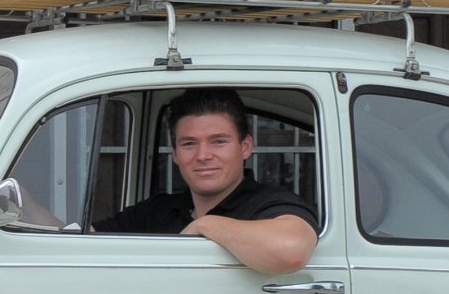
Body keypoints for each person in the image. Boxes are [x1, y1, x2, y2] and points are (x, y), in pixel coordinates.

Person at [97, 87, 317, 274]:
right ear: (175, 153)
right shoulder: (156, 211)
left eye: (218, 141)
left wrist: (205, 224)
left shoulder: (269, 203)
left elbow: (292, 252)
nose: (203, 155)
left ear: (245, 147)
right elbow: (88, 242)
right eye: (189, 144)